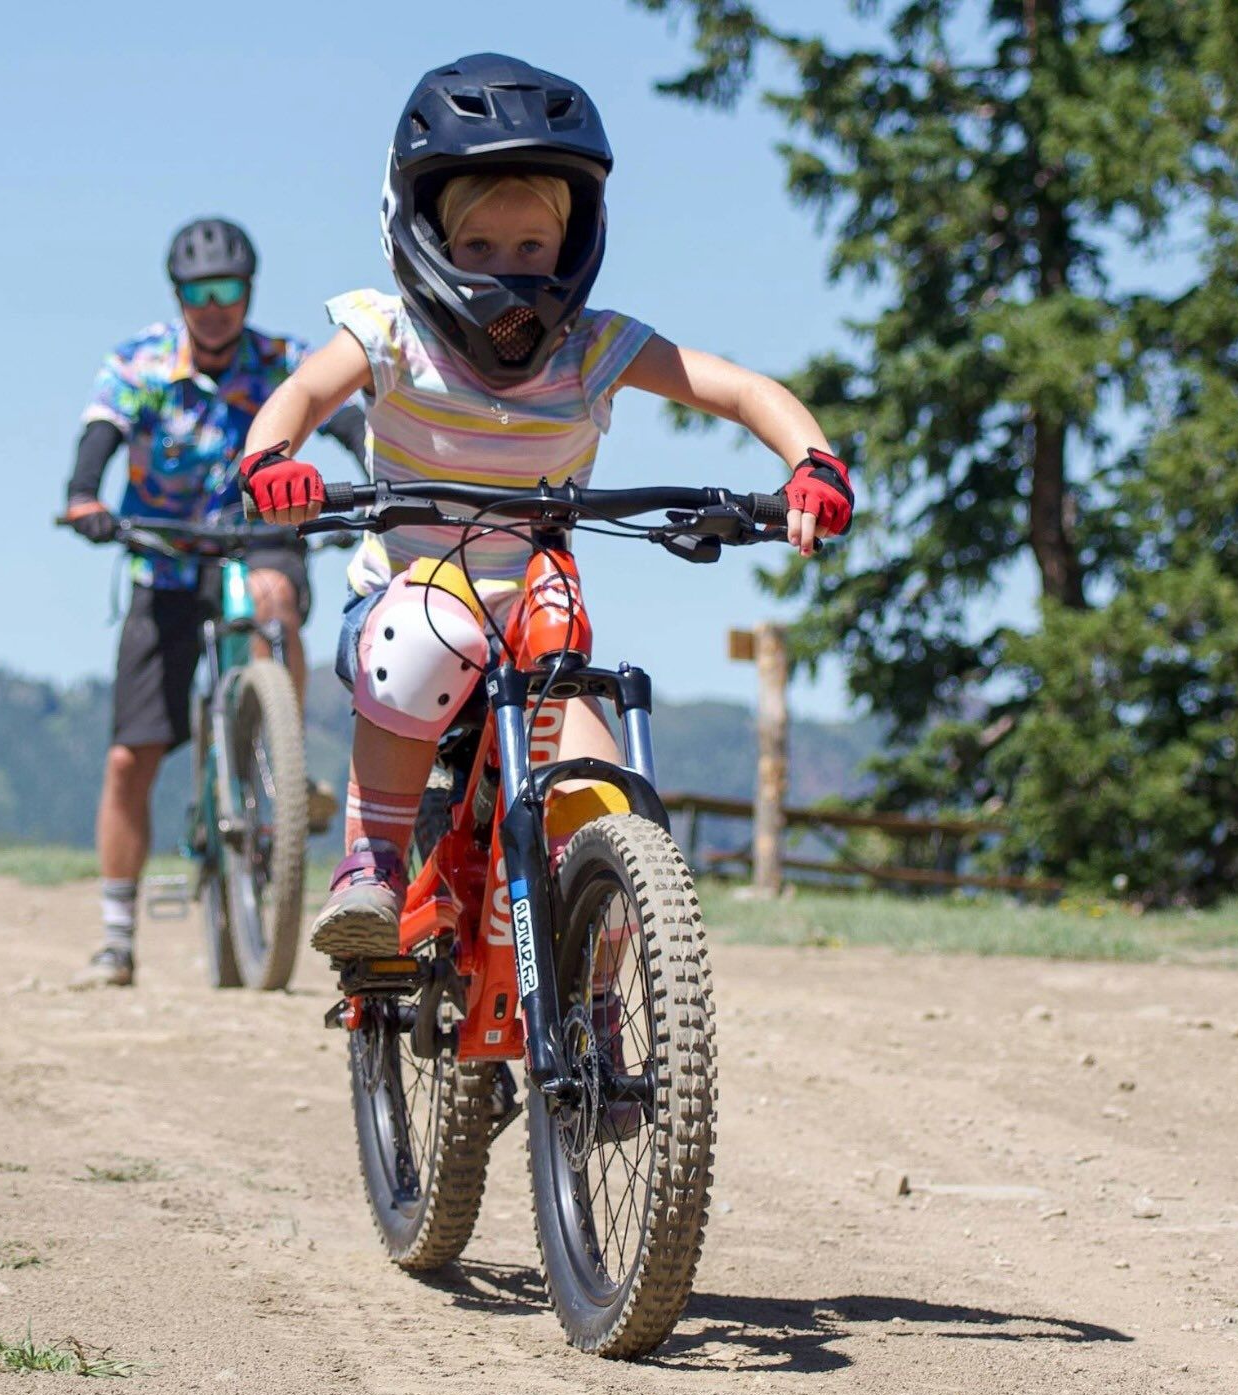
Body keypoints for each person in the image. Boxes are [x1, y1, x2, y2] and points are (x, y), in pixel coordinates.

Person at [237, 54, 854, 966]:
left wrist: (813, 465)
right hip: (405, 611)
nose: (510, 273)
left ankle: (597, 1014)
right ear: (426, 238)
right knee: (425, 633)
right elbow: (298, 394)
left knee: (604, 801)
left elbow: (742, 391)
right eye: (480, 249)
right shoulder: (390, 332)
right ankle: (367, 869)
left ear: (571, 247)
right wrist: (270, 461)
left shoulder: (594, 346)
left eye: (533, 250)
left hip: (536, 630)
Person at [62, 217, 368, 988]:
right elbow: (101, 432)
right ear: (179, 296)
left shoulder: (281, 361)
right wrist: (81, 497)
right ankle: (117, 934)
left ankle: (277, 757)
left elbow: (346, 420)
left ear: (247, 291)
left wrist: (382, 478)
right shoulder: (139, 362)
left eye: (228, 290)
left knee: (273, 597)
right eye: (200, 293)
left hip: (257, 533)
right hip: (163, 555)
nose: (215, 306)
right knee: (131, 756)